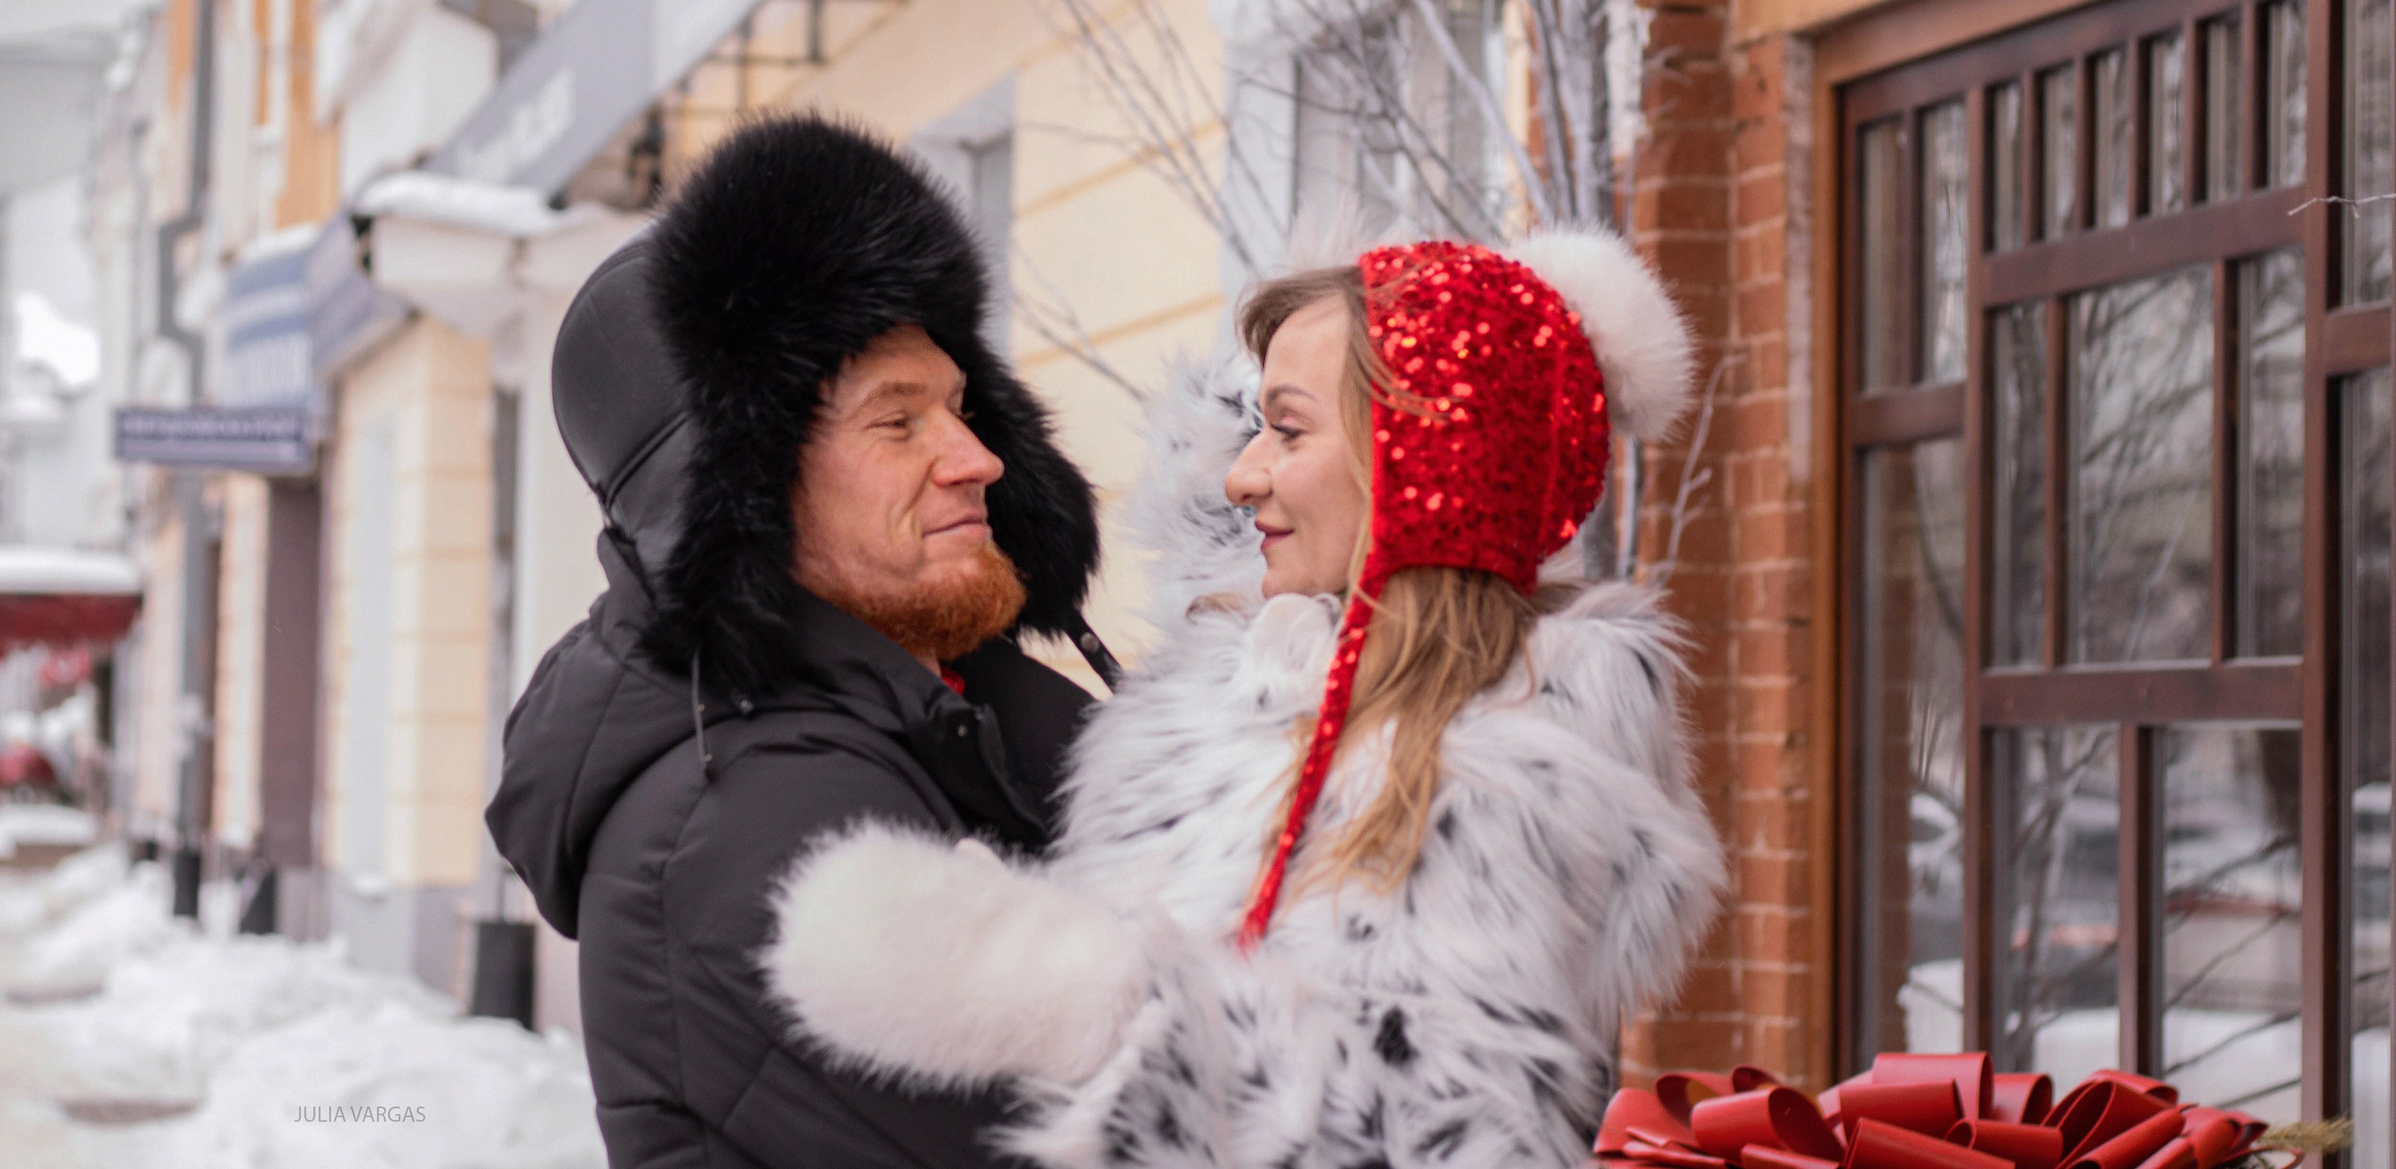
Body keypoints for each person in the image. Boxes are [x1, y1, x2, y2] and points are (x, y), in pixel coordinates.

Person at [769, 233, 1728, 1169]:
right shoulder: (1266, 670)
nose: (1242, 475)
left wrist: (1059, 986)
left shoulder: (1502, 780)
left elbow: (1408, 1127)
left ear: (1419, 463)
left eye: (1290, 429)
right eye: (1256, 425)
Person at [486, 114, 1112, 1169]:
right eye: (896, 421)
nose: (977, 458)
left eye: (961, 407)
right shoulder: (757, 819)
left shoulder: (938, 714)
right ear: (744, 494)